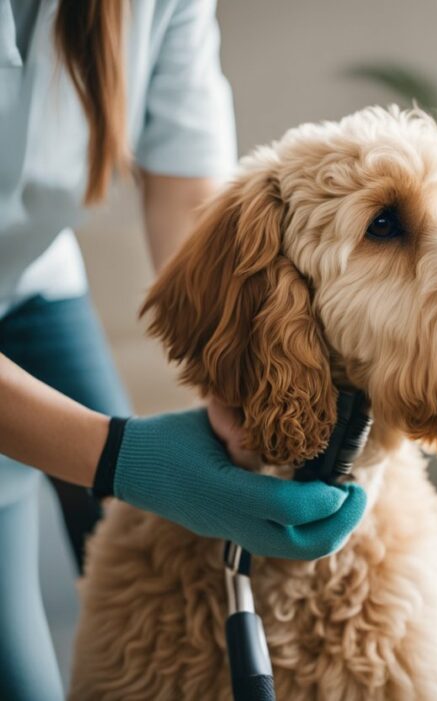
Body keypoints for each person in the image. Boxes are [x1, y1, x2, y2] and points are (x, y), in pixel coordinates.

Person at [0, 1, 367, 698]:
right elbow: (114, 459)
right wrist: (118, 457)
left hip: (33, 281)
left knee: (147, 555)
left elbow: (188, 191)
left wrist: (231, 371)